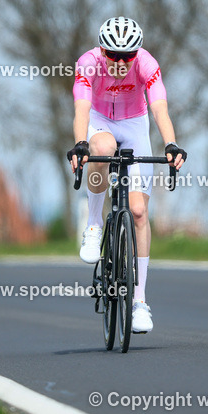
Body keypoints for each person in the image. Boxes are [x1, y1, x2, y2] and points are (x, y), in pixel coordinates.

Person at [67, 16, 186, 334]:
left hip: (134, 124)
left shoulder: (147, 63)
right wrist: (81, 144)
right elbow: (81, 109)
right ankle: (94, 225)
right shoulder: (88, 63)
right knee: (102, 148)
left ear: (137, 53)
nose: (120, 63)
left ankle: (139, 301)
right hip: (99, 120)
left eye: (127, 56)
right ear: (102, 50)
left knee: (138, 211)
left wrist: (171, 144)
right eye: (113, 55)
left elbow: (159, 108)